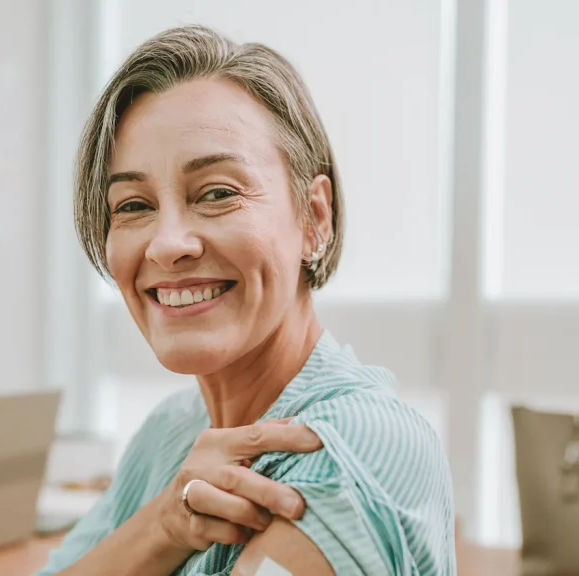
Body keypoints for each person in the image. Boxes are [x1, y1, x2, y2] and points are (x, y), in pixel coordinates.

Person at [36, 25, 455, 576]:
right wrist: (163, 524)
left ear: (315, 218)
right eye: (133, 205)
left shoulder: (350, 450)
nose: (167, 244)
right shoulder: (172, 432)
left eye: (217, 193)